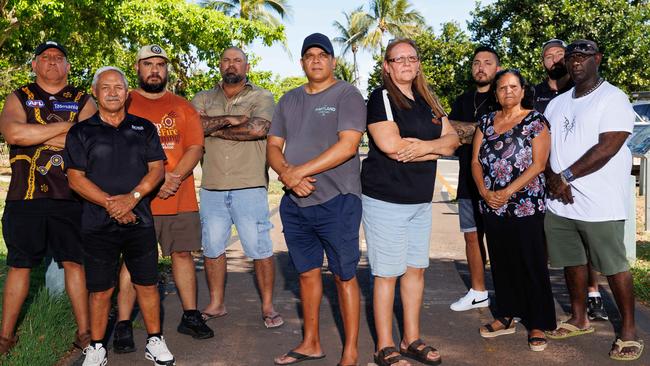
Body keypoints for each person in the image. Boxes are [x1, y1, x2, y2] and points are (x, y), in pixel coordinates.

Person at [65, 66, 175, 366]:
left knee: (147, 283)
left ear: (127, 93)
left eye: (118, 87)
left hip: (139, 220)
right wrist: (112, 204)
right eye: (106, 87)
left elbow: (157, 169)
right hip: (97, 223)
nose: (112, 92)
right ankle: (97, 347)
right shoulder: (80, 131)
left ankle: (155, 340)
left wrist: (132, 199)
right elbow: (75, 178)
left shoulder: (144, 128)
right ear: (95, 93)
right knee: (101, 289)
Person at [267, 33, 365, 366]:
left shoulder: (347, 94)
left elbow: (348, 145)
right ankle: (311, 343)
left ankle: (350, 352)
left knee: (344, 275)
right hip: (296, 204)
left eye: (323, 54)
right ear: (302, 62)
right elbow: (272, 146)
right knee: (307, 274)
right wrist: (287, 176)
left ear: (333, 61)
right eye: (309, 55)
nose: (316, 60)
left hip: (338, 200)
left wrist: (298, 172)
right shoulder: (288, 99)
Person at [544, 40, 644, 361]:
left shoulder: (613, 98)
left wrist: (565, 177)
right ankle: (578, 318)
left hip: (600, 200)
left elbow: (609, 146)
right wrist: (551, 179)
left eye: (584, 57)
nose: (576, 62)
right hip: (560, 201)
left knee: (613, 265)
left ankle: (628, 330)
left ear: (597, 59)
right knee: (572, 260)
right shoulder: (557, 104)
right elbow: (543, 144)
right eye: (572, 57)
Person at [362, 39, 458, 366]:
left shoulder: (428, 100)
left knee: (416, 271)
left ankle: (410, 338)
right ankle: (384, 345)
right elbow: (390, 145)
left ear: (418, 64)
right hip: (386, 200)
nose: (405, 63)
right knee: (387, 273)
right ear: (387, 65)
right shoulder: (383, 98)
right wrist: (434, 147)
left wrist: (420, 147)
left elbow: (453, 141)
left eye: (411, 58)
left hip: (420, 200)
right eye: (397, 59)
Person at [114, 44, 212, 354]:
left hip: (178, 197)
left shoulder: (183, 106)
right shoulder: (123, 104)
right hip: (137, 201)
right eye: (148, 64)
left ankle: (191, 315)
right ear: (137, 67)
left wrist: (174, 178)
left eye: (160, 64)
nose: (155, 69)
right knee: (133, 261)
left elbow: (195, 147)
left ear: (166, 69)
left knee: (183, 255)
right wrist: (150, 183)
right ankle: (124, 324)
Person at [0, 41, 96, 354]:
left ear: (67, 66)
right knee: (19, 265)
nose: (52, 62)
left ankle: (84, 333)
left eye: (58, 58)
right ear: (35, 65)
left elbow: (90, 140)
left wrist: (35, 132)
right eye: (45, 57)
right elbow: (14, 135)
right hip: (24, 196)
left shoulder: (82, 98)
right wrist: (69, 129)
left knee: (75, 264)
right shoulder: (19, 96)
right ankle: (5, 337)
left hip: (71, 196)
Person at [191, 46, 283, 328]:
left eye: (237, 61)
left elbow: (257, 129)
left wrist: (213, 127)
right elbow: (194, 127)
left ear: (247, 67)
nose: (231, 65)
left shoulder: (262, 96)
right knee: (212, 248)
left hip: (250, 185)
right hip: (212, 187)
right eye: (226, 60)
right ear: (219, 65)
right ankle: (217, 304)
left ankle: (267, 306)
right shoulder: (203, 97)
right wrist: (232, 121)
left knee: (260, 248)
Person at [471, 69, 555, 351]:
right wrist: (485, 192)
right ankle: (505, 315)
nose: (508, 91)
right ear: (495, 93)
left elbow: (539, 165)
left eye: (513, 86)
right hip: (492, 205)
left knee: (530, 263)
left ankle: (537, 322)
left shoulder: (535, 120)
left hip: (526, 204)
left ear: (522, 90)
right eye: (502, 87)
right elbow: (475, 161)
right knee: (502, 261)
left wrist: (506, 192)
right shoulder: (485, 121)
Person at [535, 38, 607, 322]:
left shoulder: (582, 89)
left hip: (581, 178)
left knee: (588, 243)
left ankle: (593, 294)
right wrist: (551, 176)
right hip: (546, 175)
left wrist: (567, 178)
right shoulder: (534, 92)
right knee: (551, 241)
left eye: (558, 54)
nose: (553, 59)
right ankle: (541, 298)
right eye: (547, 55)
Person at [448, 46, 500, 311]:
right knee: (472, 237)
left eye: (487, 62)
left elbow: (504, 132)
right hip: (467, 181)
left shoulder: (504, 97)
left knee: (500, 238)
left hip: (500, 184)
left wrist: (470, 131)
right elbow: (452, 135)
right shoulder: (462, 100)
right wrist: (483, 130)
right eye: (477, 62)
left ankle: (506, 292)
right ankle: (478, 291)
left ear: (497, 68)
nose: (481, 67)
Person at [533, 39, 574, 114]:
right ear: (542, 63)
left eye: (560, 54)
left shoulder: (581, 89)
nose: (555, 60)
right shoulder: (533, 94)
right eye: (549, 57)